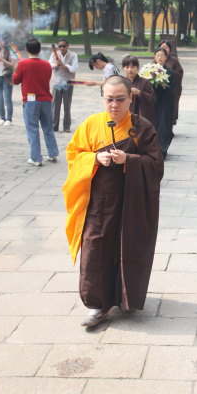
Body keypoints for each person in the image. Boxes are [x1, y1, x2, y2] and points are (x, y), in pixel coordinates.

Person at [63, 75, 164, 328]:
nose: (114, 105)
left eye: (120, 99)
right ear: (102, 99)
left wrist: (128, 160)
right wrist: (95, 159)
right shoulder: (90, 125)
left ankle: (124, 298)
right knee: (95, 249)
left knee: (128, 248)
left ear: (130, 98)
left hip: (132, 203)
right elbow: (74, 156)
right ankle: (96, 304)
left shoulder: (142, 127)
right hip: (98, 203)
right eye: (109, 99)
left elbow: (156, 165)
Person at [12, 38, 59, 166]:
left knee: (32, 129)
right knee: (48, 127)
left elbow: (15, 80)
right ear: (39, 49)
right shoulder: (46, 65)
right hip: (46, 99)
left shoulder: (23, 64)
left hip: (31, 100)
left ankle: (36, 157)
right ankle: (52, 153)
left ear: (26, 49)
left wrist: (16, 69)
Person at [49, 38, 78, 133]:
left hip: (68, 83)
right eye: (60, 46)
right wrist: (56, 65)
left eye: (63, 46)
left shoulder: (73, 55)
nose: (61, 48)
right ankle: (54, 126)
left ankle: (66, 126)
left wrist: (63, 66)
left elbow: (74, 69)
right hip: (57, 83)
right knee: (55, 106)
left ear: (67, 46)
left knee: (67, 106)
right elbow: (49, 65)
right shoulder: (54, 54)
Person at [151, 47, 175, 157]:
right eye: (158, 55)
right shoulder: (149, 71)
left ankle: (163, 150)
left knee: (164, 126)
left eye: (162, 55)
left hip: (165, 102)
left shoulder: (170, 72)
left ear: (166, 57)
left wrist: (165, 86)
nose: (160, 57)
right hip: (153, 102)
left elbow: (173, 89)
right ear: (154, 57)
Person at [122, 55, 155, 125]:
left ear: (137, 68)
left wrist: (139, 93)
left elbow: (152, 99)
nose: (130, 70)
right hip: (125, 117)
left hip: (142, 118)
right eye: (127, 67)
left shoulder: (145, 82)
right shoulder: (121, 83)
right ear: (123, 68)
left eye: (133, 67)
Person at [158, 40, 184, 124]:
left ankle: (172, 119)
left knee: (171, 105)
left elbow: (179, 73)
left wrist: (169, 74)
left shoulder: (174, 60)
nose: (164, 49)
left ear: (170, 49)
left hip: (172, 88)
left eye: (166, 47)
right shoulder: (157, 59)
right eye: (162, 47)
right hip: (159, 89)